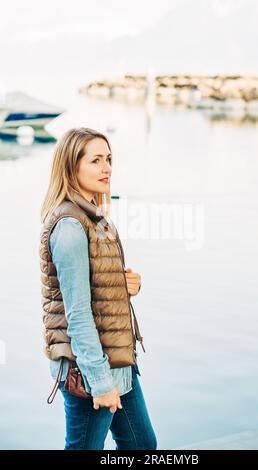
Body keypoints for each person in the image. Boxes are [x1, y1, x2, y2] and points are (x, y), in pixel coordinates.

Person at [39, 127, 157, 450]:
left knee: (142, 447)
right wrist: (100, 383)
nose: (106, 168)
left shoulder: (96, 219)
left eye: (109, 159)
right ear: (71, 167)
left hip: (119, 364)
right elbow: (77, 314)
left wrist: (124, 284)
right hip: (90, 371)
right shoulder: (70, 227)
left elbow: (94, 287)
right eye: (95, 161)